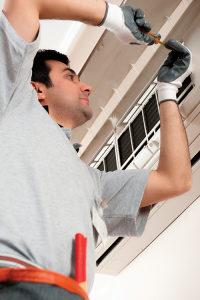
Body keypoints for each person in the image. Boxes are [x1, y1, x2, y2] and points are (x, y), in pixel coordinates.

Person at [0, 0, 192, 299]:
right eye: (70, 77)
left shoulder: (93, 182)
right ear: (37, 89)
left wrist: (168, 91)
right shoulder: (12, 102)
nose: (86, 86)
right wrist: (113, 17)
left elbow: (175, 180)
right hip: (11, 280)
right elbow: (26, 3)